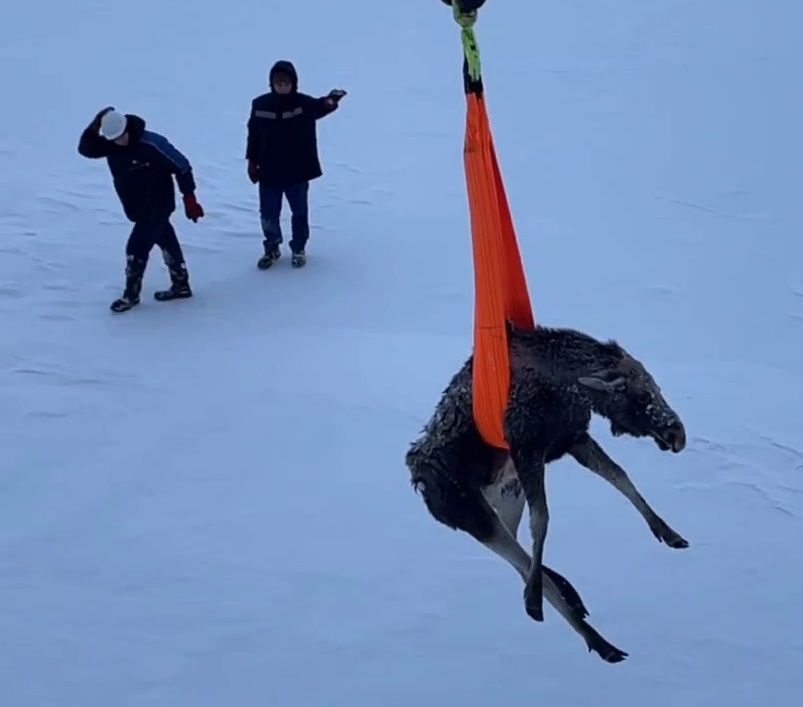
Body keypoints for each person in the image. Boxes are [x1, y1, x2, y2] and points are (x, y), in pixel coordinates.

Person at [77, 107, 205, 312]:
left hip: (158, 204)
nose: (119, 142)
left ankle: (131, 295)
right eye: (114, 139)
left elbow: (182, 166)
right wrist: (95, 124)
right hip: (136, 206)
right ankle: (181, 284)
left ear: (127, 127)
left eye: (121, 137)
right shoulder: (112, 144)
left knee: (136, 248)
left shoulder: (152, 143)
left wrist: (189, 197)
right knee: (166, 239)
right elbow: (85, 149)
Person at [245, 60, 347, 269]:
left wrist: (331, 101)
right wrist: (251, 161)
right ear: (271, 84)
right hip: (269, 172)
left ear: (294, 83)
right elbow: (253, 135)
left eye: (286, 83)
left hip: (297, 172)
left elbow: (321, 107)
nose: (282, 87)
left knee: (299, 212)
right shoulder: (260, 104)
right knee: (268, 214)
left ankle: (298, 248)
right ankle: (272, 247)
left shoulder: (303, 104)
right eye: (278, 83)